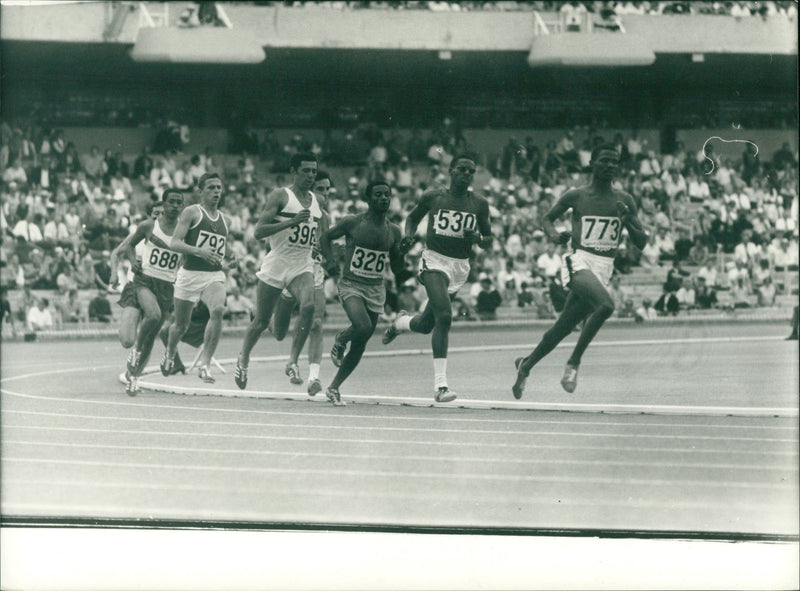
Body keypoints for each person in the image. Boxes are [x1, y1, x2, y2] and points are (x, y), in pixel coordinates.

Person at [512, 144, 647, 398]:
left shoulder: (625, 200)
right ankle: (574, 363)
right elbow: (547, 218)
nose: (610, 166)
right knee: (606, 306)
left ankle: (525, 365)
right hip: (580, 260)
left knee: (562, 328)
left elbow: (642, 242)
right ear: (592, 164)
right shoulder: (576, 196)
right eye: (604, 161)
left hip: (604, 268)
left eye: (614, 162)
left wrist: (628, 219)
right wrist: (553, 236)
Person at [382, 153, 493, 403]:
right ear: (451, 171)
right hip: (433, 260)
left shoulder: (479, 203)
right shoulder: (434, 196)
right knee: (445, 315)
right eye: (462, 169)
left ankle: (400, 323)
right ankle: (440, 386)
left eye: (470, 171)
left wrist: (477, 239)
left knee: (426, 324)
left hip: (459, 267)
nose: (466, 174)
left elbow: (489, 240)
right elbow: (411, 218)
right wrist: (408, 236)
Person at [234, 152, 326, 390]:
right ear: (294, 171)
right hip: (277, 263)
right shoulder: (280, 195)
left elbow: (317, 228)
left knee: (308, 306)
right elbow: (259, 231)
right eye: (305, 171)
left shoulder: (318, 201)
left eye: (314, 171)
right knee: (262, 321)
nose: (310, 176)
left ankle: (292, 361)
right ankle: (243, 358)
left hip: (301, 264)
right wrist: (291, 222)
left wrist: (316, 244)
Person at [321, 180, 410, 406]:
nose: (383, 198)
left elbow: (398, 269)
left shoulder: (394, 231)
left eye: (387, 195)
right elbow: (325, 237)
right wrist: (330, 262)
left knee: (361, 342)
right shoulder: (353, 222)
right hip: (351, 284)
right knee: (362, 327)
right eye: (378, 195)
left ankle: (333, 387)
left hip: (375, 288)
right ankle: (341, 338)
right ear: (368, 199)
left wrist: (402, 253)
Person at [110, 188, 184, 395]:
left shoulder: (184, 231)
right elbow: (122, 249)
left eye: (179, 203)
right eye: (170, 203)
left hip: (166, 287)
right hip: (141, 283)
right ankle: (134, 351)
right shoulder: (147, 227)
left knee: (149, 335)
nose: (173, 208)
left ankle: (133, 377)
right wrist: (124, 269)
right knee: (130, 337)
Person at [161, 173, 233, 383]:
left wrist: (231, 255)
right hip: (189, 275)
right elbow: (175, 243)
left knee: (218, 310)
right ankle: (170, 353)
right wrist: (199, 252)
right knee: (181, 325)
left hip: (213, 275)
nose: (216, 192)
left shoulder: (225, 219)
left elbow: (220, 245)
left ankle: (205, 364)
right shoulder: (192, 212)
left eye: (219, 187)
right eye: (211, 188)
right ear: (200, 191)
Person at [268, 170, 333, 396]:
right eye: (320, 189)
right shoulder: (292, 208)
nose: (325, 194)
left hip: (312, 273)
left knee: (316, 323)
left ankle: (313, 377)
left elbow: (327, 247)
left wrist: (330, 252)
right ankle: (264, 317)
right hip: (290, 272)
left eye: (327, 189)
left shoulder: (324, 217)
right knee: (278, 333)